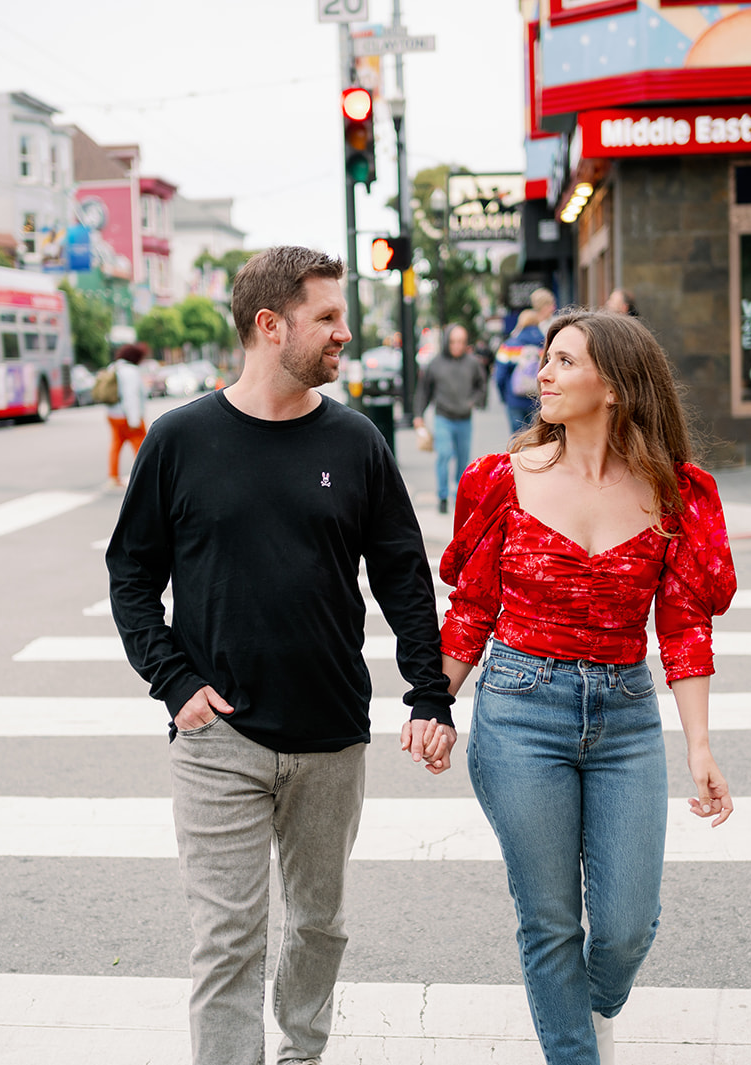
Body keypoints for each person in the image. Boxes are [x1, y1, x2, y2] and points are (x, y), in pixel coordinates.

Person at [106, 245, 458, 1065]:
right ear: (272, 325)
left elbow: (403, 575)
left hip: (331, 731)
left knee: (318, 925)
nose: (345, 333)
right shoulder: (180, 440)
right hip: (217, 736)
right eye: (328, 317)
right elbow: (130, 576)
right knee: (227, 939)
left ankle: (303, 1052)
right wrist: (173, 680)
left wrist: (428, 694)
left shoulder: (358, 441)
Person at [409, 308, 736, 1065]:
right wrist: (436, 701)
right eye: (543, 362)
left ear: (615, 386)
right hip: (521, 711)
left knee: (626, 923)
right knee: (550, 920)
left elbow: (684, 627)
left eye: (561, 362)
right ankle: (575, 1050)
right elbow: (473, 607)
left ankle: (589, 1009)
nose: (540, 376)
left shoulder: (674, 492)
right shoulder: (502, 480)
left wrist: (700, 746)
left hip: (624, 713)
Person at [412, 323, 490, 515]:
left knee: (463, 460)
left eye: (461, 342)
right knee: (444, 454)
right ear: (447, 341)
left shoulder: (472, 363)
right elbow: (424, 391)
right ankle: (443, 496)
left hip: (464, 418)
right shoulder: (435, 363)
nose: (457, 346)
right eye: (454, 341)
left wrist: (475, 401)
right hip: (443, 417)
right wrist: (418, 415)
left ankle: (459, 496)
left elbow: (482, 385)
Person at [495, 288, 556, 433]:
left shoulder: (512, 342)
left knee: (517, 440)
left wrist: (505, 396)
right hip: (538, 398)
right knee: (538, 439)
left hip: (515, 398)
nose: (553, 308)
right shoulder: (547, 338)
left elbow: (500, 374)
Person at [105, 343, 148, 488]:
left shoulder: (113, 367)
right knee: (142, 446)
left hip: (113, 415)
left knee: (116, 445)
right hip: (128, 416)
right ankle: (143, 478)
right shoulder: (131, 371)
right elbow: (131, 396)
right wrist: (134, 419)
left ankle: (113, 477)